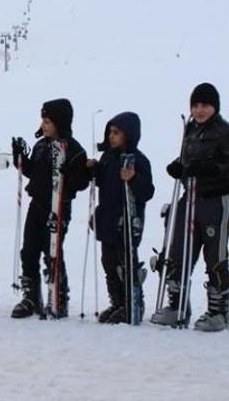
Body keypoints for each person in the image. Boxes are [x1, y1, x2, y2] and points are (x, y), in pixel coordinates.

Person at [151, 83, 229, 331]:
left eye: (205, 105)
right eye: (195, 105)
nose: (199, 110)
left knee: (214, 255)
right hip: (190, 195)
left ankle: (219, 310)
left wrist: (212, 169)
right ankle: (177, 305)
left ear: (214, 106)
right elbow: (187, 159)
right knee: (178, 248)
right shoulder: (190, 129)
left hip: (215, 198)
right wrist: (178, 166)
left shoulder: (223, 131)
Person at [10, 98, 89, 319]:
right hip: (37, 204)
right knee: (29, 250)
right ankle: (31, 297)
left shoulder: (73, 148)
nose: (44, 126)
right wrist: (21, 160)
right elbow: (33, 172)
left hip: (59, 206)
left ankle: (59, 297)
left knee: (52, 249)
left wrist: (71, 174)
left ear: (60, 122)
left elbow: (81, 181)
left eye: (47, 121)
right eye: (42, 121)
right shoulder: (41, 145)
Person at [88, 112, 154, 324]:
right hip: (108, 219)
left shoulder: (138, 160)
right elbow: (104, 183)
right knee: (108, 263)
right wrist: (94, 169)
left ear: (129, 135)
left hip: (127, 221)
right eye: (110, 132)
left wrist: (133, 178)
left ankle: (133, 301)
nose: (111, 137)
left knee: (125, 262)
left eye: (116, 133)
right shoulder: (108, 158)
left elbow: (147, 192)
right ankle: (117, 301)